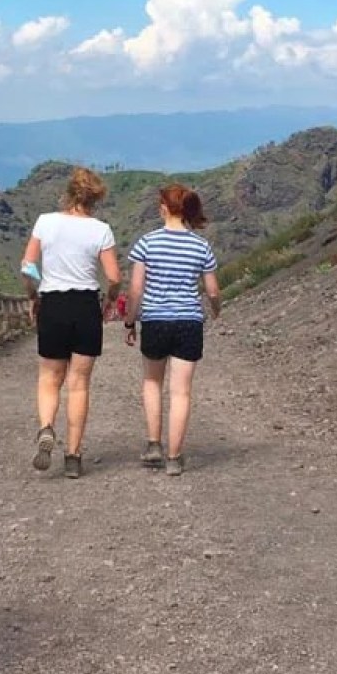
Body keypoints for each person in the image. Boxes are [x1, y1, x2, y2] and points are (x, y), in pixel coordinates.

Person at [21, 167, 122, 479]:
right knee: (78, 384)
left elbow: (28, 266)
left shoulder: (45, 222)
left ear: (68, 193)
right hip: (85, 307)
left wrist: (33, 295)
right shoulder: (101, 230)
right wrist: (108, 301)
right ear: (96, 198)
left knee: (50, 378)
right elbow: (115, 277)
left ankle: (47, 427)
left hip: (53, 303)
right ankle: (74, 457)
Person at [124, 184, 221, 476]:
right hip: (189, 322)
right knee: (181, 393)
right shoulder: (201, 246)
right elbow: (213, 291)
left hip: (155, 320)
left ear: (164, 207)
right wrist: (216, 311)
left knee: (152, 382)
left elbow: (136, 291)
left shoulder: (146, 243)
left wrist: (130, 321)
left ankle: (154, 444)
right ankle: (175, 458)